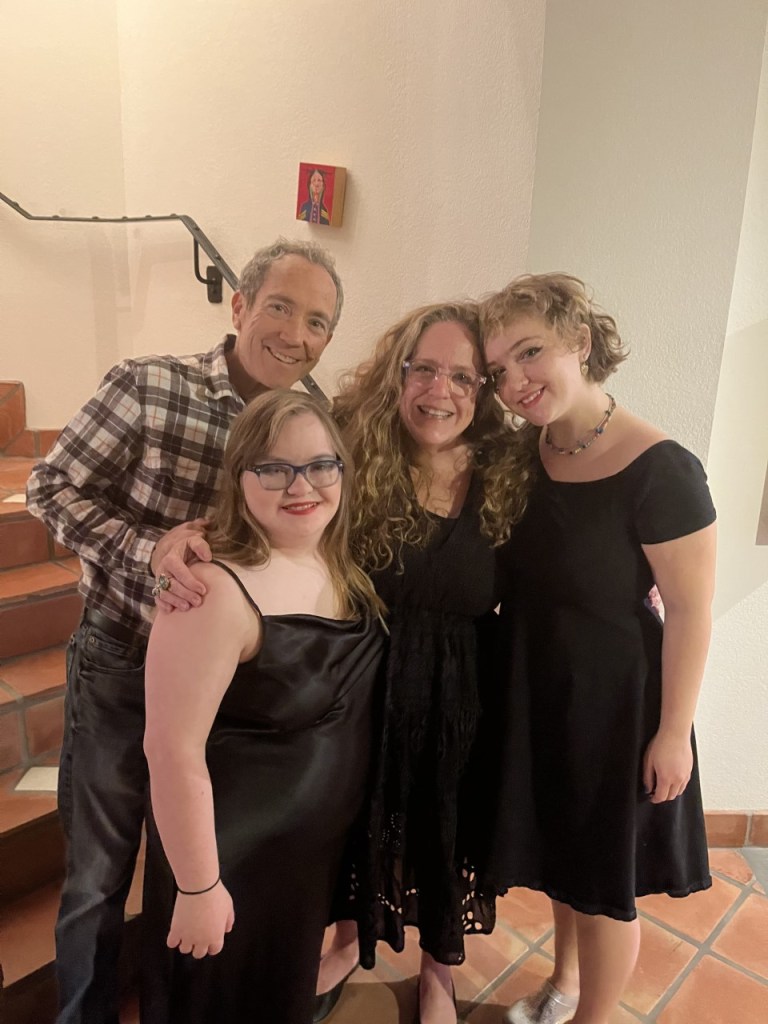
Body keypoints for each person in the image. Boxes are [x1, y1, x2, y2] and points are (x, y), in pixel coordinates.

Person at [25, 237, 343, 1024]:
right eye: (278, 306)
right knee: (101, 871)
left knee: (196, 860)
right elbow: (48, 485)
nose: (295, 334)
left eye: (318, 321)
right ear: (238, 305)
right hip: (124, 660)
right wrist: (149, 549)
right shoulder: (148, 385)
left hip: (241, 689)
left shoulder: (314, 421)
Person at [480, 274, 717, 1024]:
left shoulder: (662, 467)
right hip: (536, 686)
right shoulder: (522, 454)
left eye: (531, 353)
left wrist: (673, 733)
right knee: (561, 857)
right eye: (499, 370)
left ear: (579, 341)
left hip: (616, 702)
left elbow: (690, 610)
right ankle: (565, 984)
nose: (515, 382)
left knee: (603, 880)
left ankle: (593, 1019)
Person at [316, 302, 532, 1024]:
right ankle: (352, 936)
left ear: (485, 390)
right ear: (398, 374)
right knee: (358, 817)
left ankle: (439, 973)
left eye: (464, 377)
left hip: (464, 686)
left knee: (449, 826)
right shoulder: (351, 450)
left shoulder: (510, 470)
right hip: (364, 678)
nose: (441, 391)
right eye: (426, 370)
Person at [140, 389, 384, 1024]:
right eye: (273, 468)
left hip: (306, 856)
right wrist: (197, 885)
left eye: (320, 465)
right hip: (230, 859)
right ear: (239, 477)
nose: (300, 485)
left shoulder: (340, 561)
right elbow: (170, 749)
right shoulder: (211, 590)